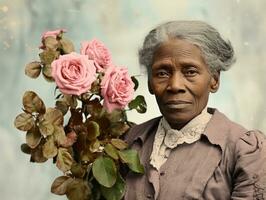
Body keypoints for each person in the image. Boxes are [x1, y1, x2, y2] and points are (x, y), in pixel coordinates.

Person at [124, 20, 266, 199]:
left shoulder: (245, 151)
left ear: (214, 80)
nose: (175, 86)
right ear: (150, 83)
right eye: (162, 73)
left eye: (190, 72)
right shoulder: (130, 141)